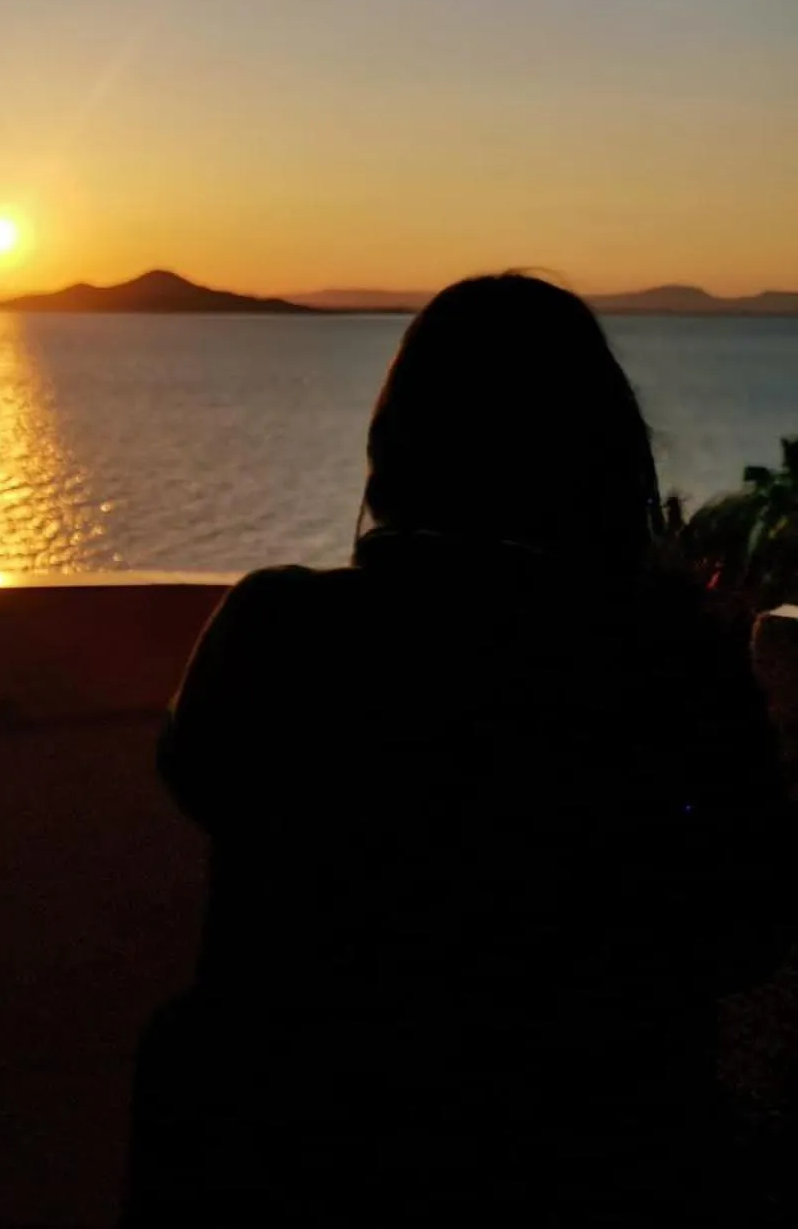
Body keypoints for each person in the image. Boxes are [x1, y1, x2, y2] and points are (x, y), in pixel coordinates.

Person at [126, 274, 792, 1226]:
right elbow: (747, 927)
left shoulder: (277, 629)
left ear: (396, 444)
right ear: (605, 456)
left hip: (291, 1151)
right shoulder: (674, 667)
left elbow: (197, 775)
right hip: (596, 1159)